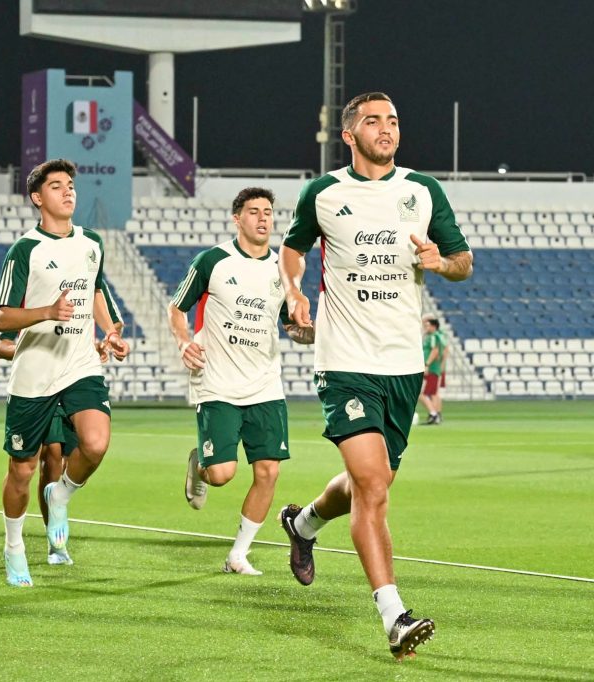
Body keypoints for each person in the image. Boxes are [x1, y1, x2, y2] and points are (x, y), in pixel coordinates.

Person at [277, 92, 473, 660]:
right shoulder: (324, 192)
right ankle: (394, 614)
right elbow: (292, 250)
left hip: (403, 366)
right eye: (372, 120)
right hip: (344, 362)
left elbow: (463, 262)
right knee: (373, 487)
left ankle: (305, 523)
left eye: (392, 120)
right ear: (349, 134)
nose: (386, 129)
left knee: (374, 482)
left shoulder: (422, 190)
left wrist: (440, 262)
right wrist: (292, 291)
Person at [0, 158, 129, 587]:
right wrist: (46, 312)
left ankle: (62, 493)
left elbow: (95, 290)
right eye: (57, 186)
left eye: (71, 185)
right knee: (22, 468)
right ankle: (14, 545)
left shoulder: (91, 242)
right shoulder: (25, 249)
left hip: (79, 364)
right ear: (38, 198)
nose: (68, 192)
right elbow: (1, 317)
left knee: (96, 441)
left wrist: (110, 331)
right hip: (35, 370)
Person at [169, 188, 313, 576]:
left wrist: (308, 333)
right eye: (254, 212)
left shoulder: (283, 271)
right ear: (237, 219)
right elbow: (177, 308)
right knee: (221, 475)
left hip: (265, 384)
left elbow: (290, 326)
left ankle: (238, 555)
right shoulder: (213, 261)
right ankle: (201, 463)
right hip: (216, 382)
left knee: (268, 471)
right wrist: (184, 342)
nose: (263, 218)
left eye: (268, 211)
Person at [0, 278, 123, 565]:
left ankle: (56, 518)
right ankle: (48, 543)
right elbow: (1, 344)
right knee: (47, 459)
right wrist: (34, 348)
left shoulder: (87, 274)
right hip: (39, 380)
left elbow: (113, 323)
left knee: (81, 454)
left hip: (77, 377)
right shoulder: (33, 278)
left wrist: (105, 340)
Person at [418, 315, 447, 425]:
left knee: (422, 394)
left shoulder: (434, 336)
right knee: (433, 393)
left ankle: (433, 414)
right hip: (432, 368)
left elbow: (435, 351)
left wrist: (427, 364)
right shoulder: (433, 336)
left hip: (431, 369)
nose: (425, 327)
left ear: (434, 326)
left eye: (427, 325)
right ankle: (435, 414)